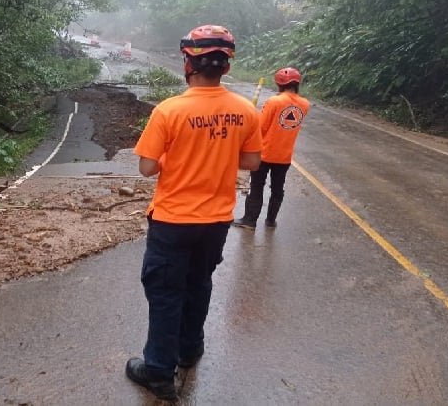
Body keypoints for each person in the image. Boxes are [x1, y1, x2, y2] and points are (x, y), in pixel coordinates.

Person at [125, 24, 262, 401]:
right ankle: (189, 349)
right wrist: (217, 151)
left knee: (166, 291)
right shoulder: (245, 110)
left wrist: (183, 154)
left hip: (173, 219)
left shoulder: (170, 111)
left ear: (189, 62)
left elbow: (147, 167)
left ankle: (157, 371)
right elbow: (251, 161)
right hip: (217, 219)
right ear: (226, 67)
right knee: (199, 283)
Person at [234, 67, 310, 228]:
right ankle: (270, 220)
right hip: (284, 156)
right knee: (277, 188)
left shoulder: (274, 101)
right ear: (297, 83)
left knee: (257, 186)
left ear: (279, 83)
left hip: (264, 153)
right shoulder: (305, 104)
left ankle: (250, 220)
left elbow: (261, 127)